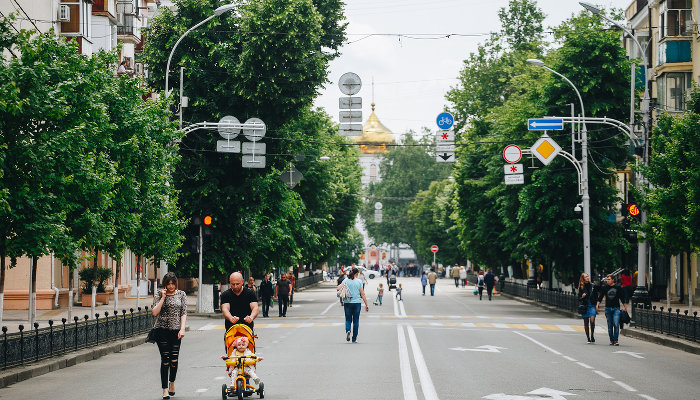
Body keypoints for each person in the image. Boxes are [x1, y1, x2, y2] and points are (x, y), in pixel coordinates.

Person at [151, 272, 187, 400]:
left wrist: (182, 329)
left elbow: (183, 312)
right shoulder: (159, 294)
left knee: (174, 360)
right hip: (162, 331)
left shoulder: (181, 294)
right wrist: (162, 298)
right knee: (165, 360)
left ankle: (172, 382)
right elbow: (154, 312)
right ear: (165, 284)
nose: (170, 286)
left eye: (172, 283)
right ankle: (165, 390)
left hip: (176, 331)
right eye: (168, 283)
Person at [337, 267, 369, 343]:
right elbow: (362, 294)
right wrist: (366, 304)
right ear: (357, 274)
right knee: (356, 321)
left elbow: (338, 288)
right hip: (357, 303)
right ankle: (354, 339)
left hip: (347, 303)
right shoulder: (359, 281)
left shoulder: (346, 280)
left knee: (348, 319)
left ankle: (348, 330)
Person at [596, 274, 627, 346]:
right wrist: (597, 305)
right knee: (610, 325)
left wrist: (625, 306)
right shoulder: (605, 287)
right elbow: (600, 297)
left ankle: (616, 340)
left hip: (616, 308)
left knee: (616, 323)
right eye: (607, 279)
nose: (607, 281)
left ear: (613, 280)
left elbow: (622, 297)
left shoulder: (618, 287)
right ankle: (611, 340)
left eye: (609, 279)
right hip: (608, 309)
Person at [578, 272, 597, 343]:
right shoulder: (581, 287)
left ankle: (592, 335)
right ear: (583, 279)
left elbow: (596, 295)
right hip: (585, 306)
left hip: (592, 305)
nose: (587, 278)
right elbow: (578, 298)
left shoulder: (592, 285)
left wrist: (596, 304)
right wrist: (582, 297)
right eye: (585, 277)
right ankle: (588, 338)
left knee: (592, 321)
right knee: (586, 322)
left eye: (587, 276)